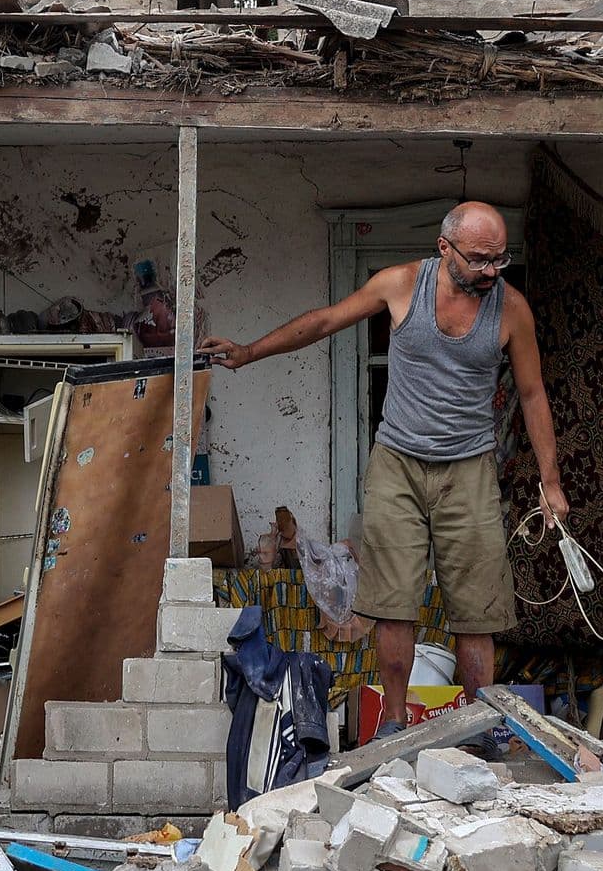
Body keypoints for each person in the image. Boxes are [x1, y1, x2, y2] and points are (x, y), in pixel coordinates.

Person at [199, 201, 568, 738]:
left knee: (478, 610)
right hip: (396, 463)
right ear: (445, 249)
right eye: (479, 260)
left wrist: (550, 482)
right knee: (393, 605)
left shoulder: (511, 310)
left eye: (499, 260)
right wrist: (250, 351)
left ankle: (480, 725)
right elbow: (324, 321)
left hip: (469, 468)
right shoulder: (399, 285)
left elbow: (533, 395)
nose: (491, 272)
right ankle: (394, 723)